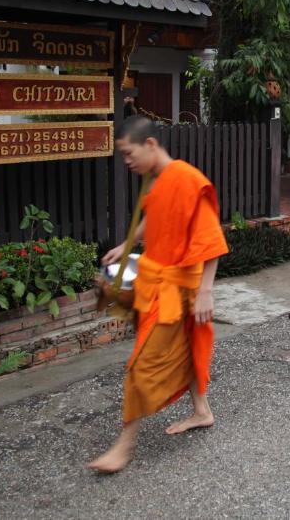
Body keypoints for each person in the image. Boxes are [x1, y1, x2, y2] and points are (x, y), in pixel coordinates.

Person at [88, 115, 229, 474]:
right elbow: (157, 220)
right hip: (158, 284)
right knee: (187, 350)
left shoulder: (186, 179)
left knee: (142, 365)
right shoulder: (159, 181)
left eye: (128, 152)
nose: (127, 161)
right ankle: (202, 411)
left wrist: (205, 293)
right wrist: (125, 244)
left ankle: (124, 445)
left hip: (180, 289)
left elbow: (210, 238)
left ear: (150, 145)